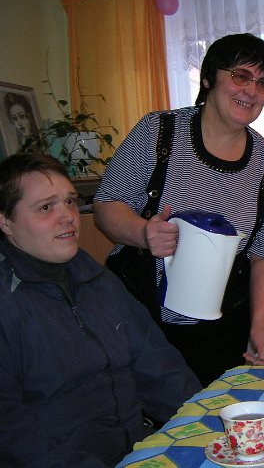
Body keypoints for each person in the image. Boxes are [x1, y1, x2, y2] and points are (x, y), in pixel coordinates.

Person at [93, 33, 264, 386]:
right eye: (240, 76)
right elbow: (107, 203)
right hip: (137, 315)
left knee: (213, 412)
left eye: (263, 83)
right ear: (208, 79)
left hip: (221, 325)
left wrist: (261, 321)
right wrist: (142, 233)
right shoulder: (158, 132)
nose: (252, 90)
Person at [0, 153, 201, 467]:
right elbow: (11, 432)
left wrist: (205, 424)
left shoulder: (98, 280)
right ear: (5, 222)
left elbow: (159, 367)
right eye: (46, 207)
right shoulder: (7, 304)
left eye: (70, 201)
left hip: (138, 450)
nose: (68, 216)